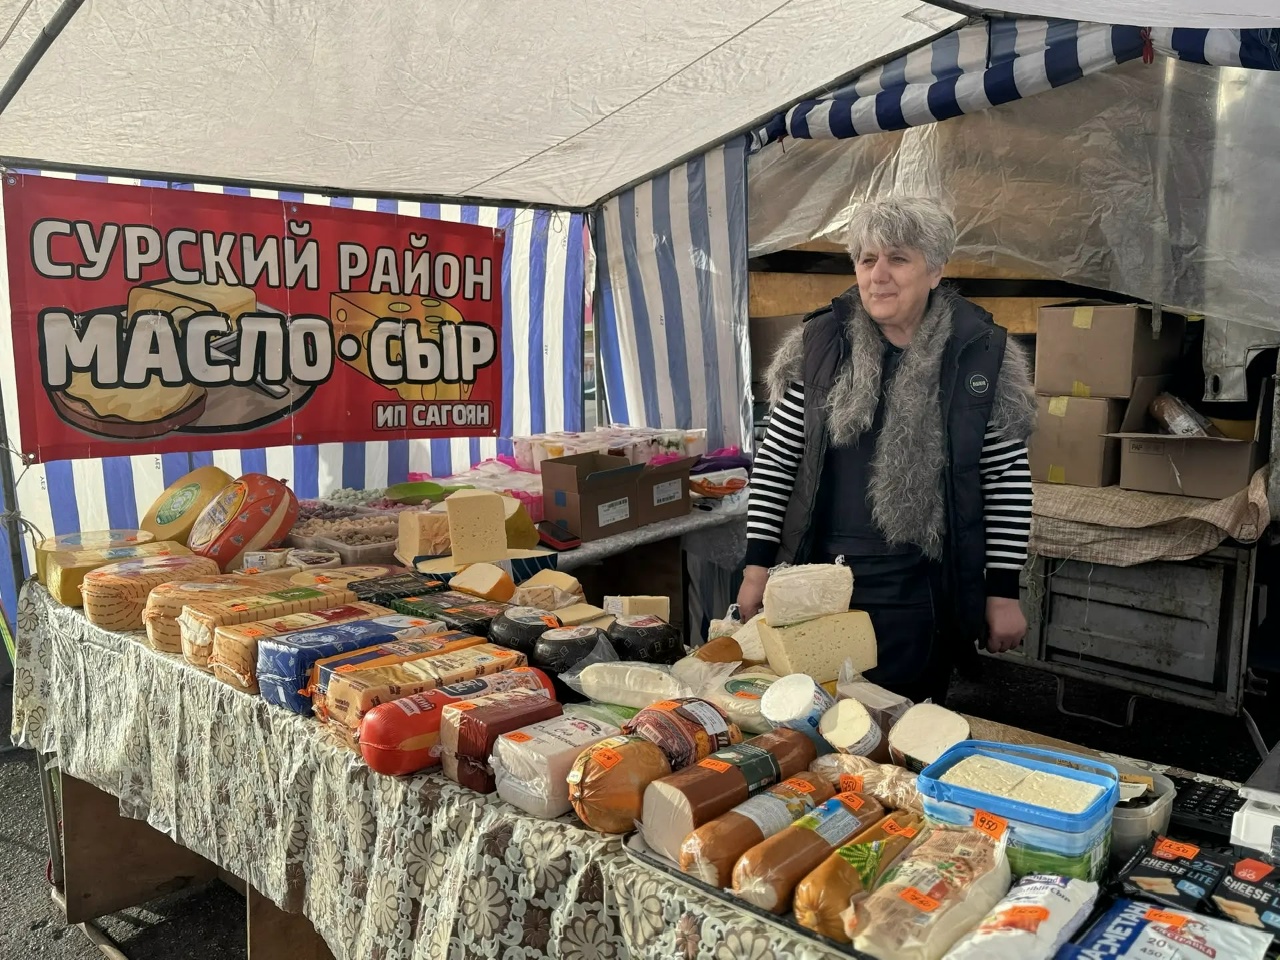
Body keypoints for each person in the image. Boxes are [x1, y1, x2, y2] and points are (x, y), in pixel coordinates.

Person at [737, 197, 1035, 704]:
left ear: (935, 270)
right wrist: (756, 569)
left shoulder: (981, 355)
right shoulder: (819, 346)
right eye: (866, 259)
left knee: (904, 720)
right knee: (817, 717)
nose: (878, 276)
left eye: (898, 259)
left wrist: (1003, 592)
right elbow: (777, 463)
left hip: (919, 588)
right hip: (819, 582)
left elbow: (1005, 480)